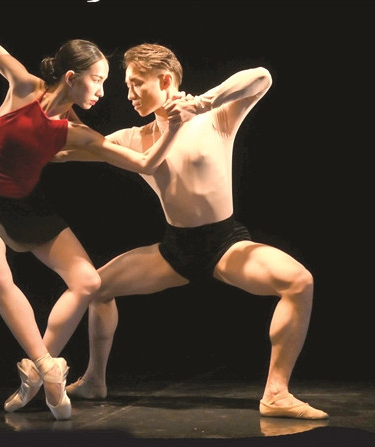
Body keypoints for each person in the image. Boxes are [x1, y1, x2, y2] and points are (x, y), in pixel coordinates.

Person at [0, 26, 182, 420]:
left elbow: (144, 163)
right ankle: (46, 367)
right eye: (97, 80)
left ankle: (36, 375)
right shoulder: (24, 86)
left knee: (88, 282)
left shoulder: (77, 133)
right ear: (71, 77)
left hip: (25, 204)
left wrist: (173, 126)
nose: (102, 91)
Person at [55, 43, 329, 420]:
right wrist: (6, 147)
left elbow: (261, 77)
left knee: (299, 282)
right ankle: (93, 381)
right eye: (127, 86)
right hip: (175, 249)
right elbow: (65, 152)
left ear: (165, 80)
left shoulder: (215, 117)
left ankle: (276, 393)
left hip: (225, 244)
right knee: (96, 288)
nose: (129, 94)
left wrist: (202, 103)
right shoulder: (132, 139)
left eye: (137, 84)